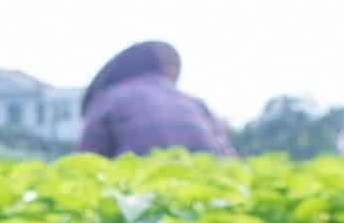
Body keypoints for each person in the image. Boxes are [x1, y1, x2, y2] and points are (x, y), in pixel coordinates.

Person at [78, 41, 234, 158]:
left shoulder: (107, 99)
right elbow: (229, 160)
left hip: (141, 195)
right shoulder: (194, 102)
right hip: (207, 194)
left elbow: (85, 166)